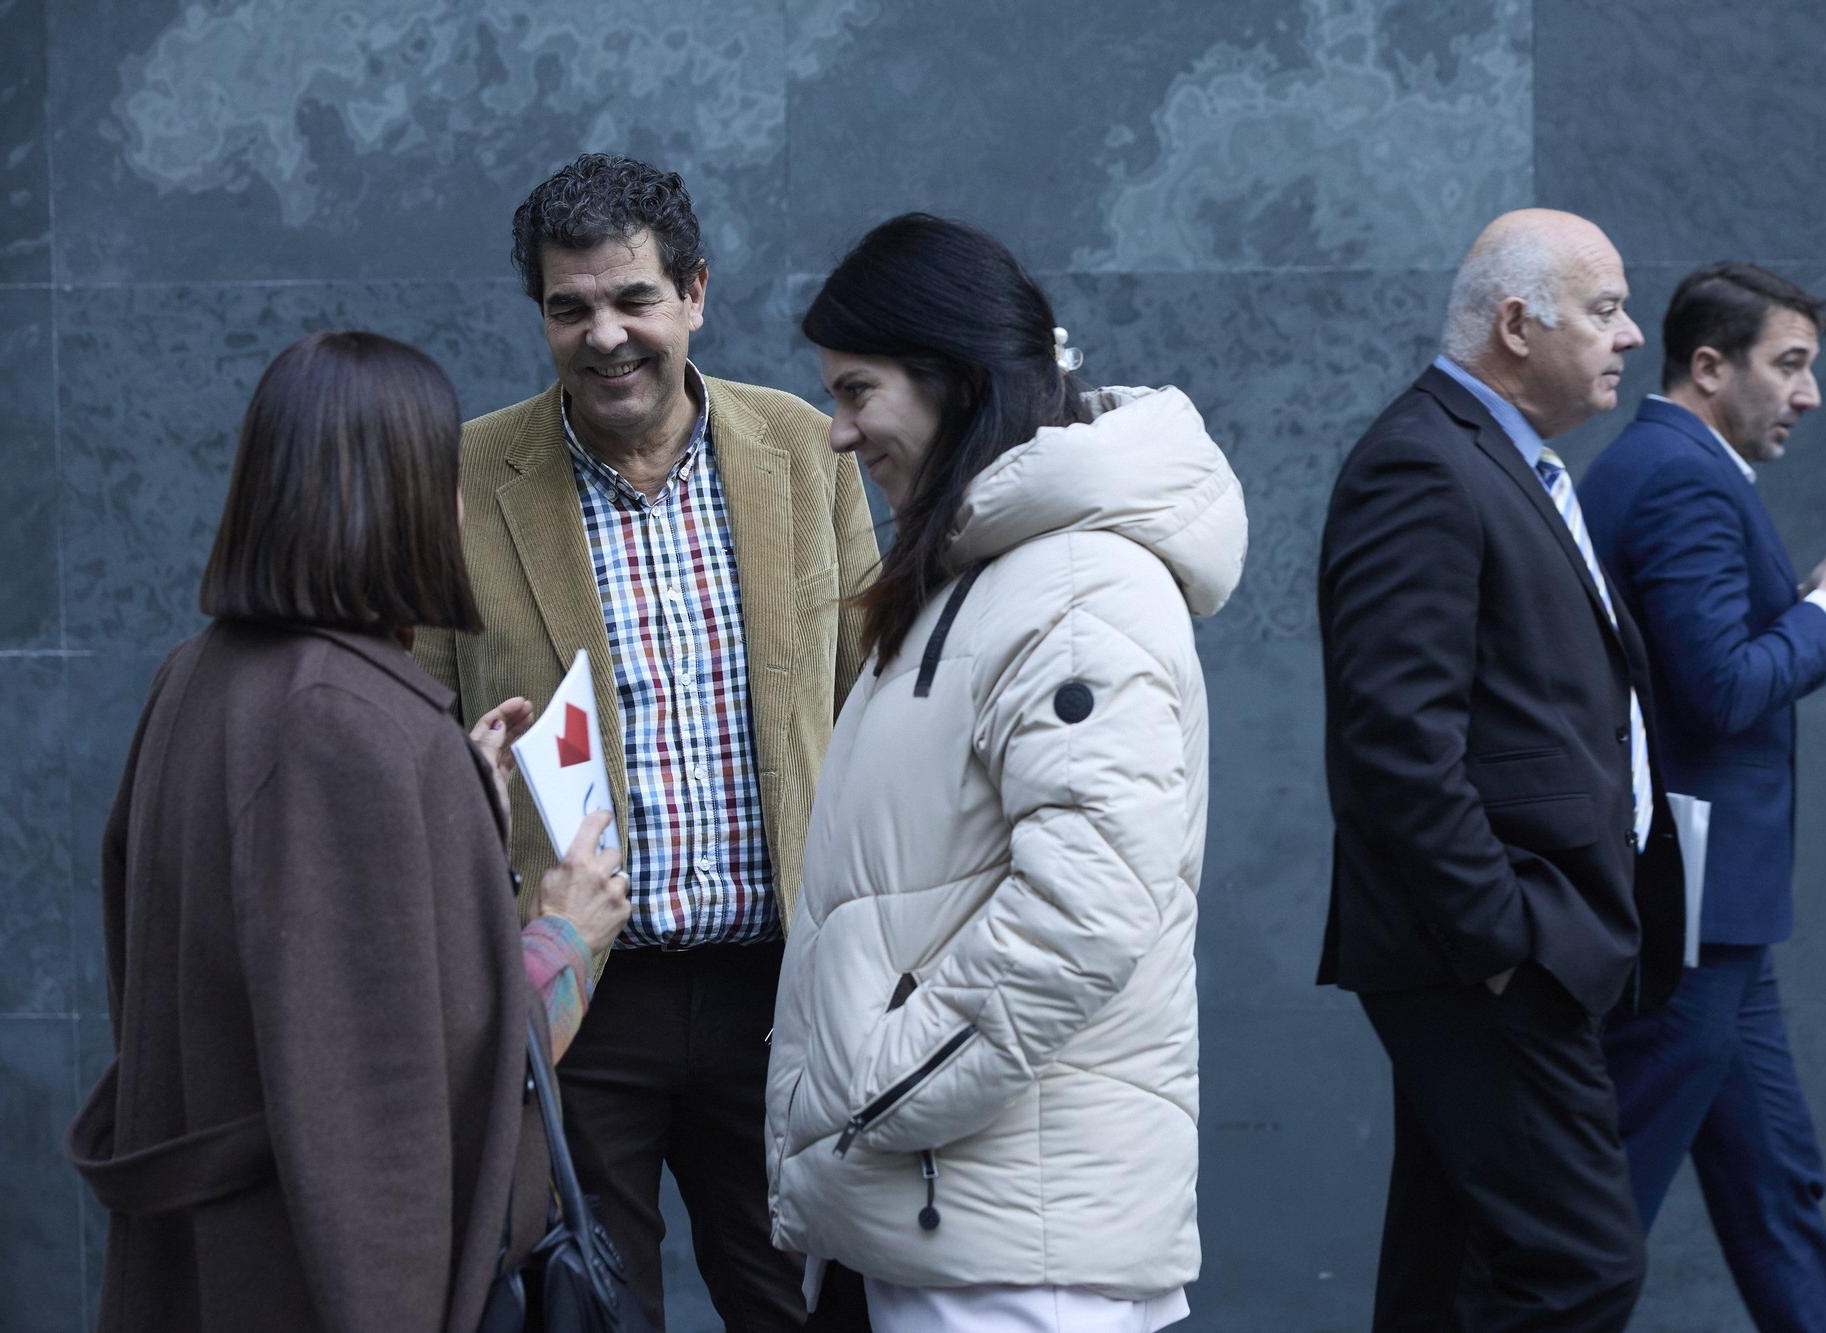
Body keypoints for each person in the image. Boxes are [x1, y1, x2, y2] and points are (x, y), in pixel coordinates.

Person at [65, 331, 630, 1332]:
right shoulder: (351, 726)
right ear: (394, 500)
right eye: (441, 478)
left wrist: (454, 811)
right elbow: (388, 1102)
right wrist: (563, 938)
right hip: (308, 1278)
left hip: (223, 1261)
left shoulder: (199, 677)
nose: (458, 510)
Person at [411, 152, 879, 1330]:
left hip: (780, 985)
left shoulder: (801, 452)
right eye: (569, 308)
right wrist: (453, 774)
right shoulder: (464, 477)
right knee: (589, 1308)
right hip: (580, 992)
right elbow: (415, 723)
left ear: (695, 295)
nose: (605, 335)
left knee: (802, 1306)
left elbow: (874, 696)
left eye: (633, 299)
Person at [762, 213, 1247, 1332]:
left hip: (1014, 1258)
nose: (837, 433)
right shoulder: (985, 573)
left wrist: (879, 1087)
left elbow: (1087, 904)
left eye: (856, 390)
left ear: (954, 381)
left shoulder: (1076, 586)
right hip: (953, 1223)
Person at [1315, 208, 1685, 1331]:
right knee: (1580, 1269)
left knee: (1450, 1279)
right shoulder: (1421, 465)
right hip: (1485, 951)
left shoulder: (1496, 460)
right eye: (1606, 310)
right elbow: (1392, 736)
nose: (1629, 337)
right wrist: (1498, 943)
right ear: (1517, 324)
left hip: (1515, 944)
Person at [1579, 264, 1826, 1331]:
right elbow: (1718, 689)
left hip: (1716, 919)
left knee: (1776, 1189)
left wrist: (1805, 608)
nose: (1808, 395)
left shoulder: (1666, 468)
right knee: (1595, 1219)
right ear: (1707, 367)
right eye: (1790, 365)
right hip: (1687, 915)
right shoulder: (1679, 478)